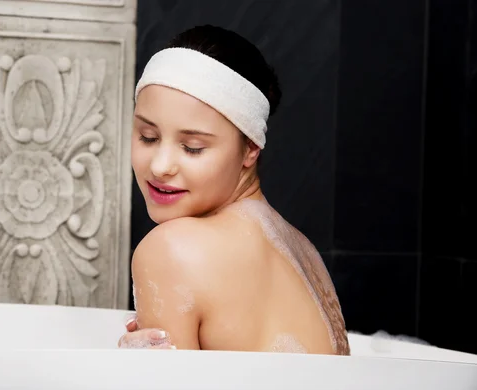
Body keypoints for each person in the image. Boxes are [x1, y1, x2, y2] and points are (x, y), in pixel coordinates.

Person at [117, 25, 350, 355]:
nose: (159, 166)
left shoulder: (170, 250)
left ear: (251, 148)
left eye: (193, 147)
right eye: (148, 137)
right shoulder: (305, 254)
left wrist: (124, 371)